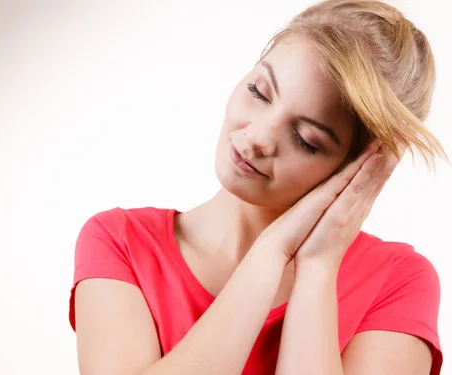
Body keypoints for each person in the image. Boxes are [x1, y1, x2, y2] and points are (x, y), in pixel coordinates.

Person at [68, 0, 448, 374]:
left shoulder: (399, 282)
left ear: (360, 167)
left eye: (306, 139)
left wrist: (317, 267)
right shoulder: (121, 242)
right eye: (259, 92)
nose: (257, 137)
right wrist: (270, 252)